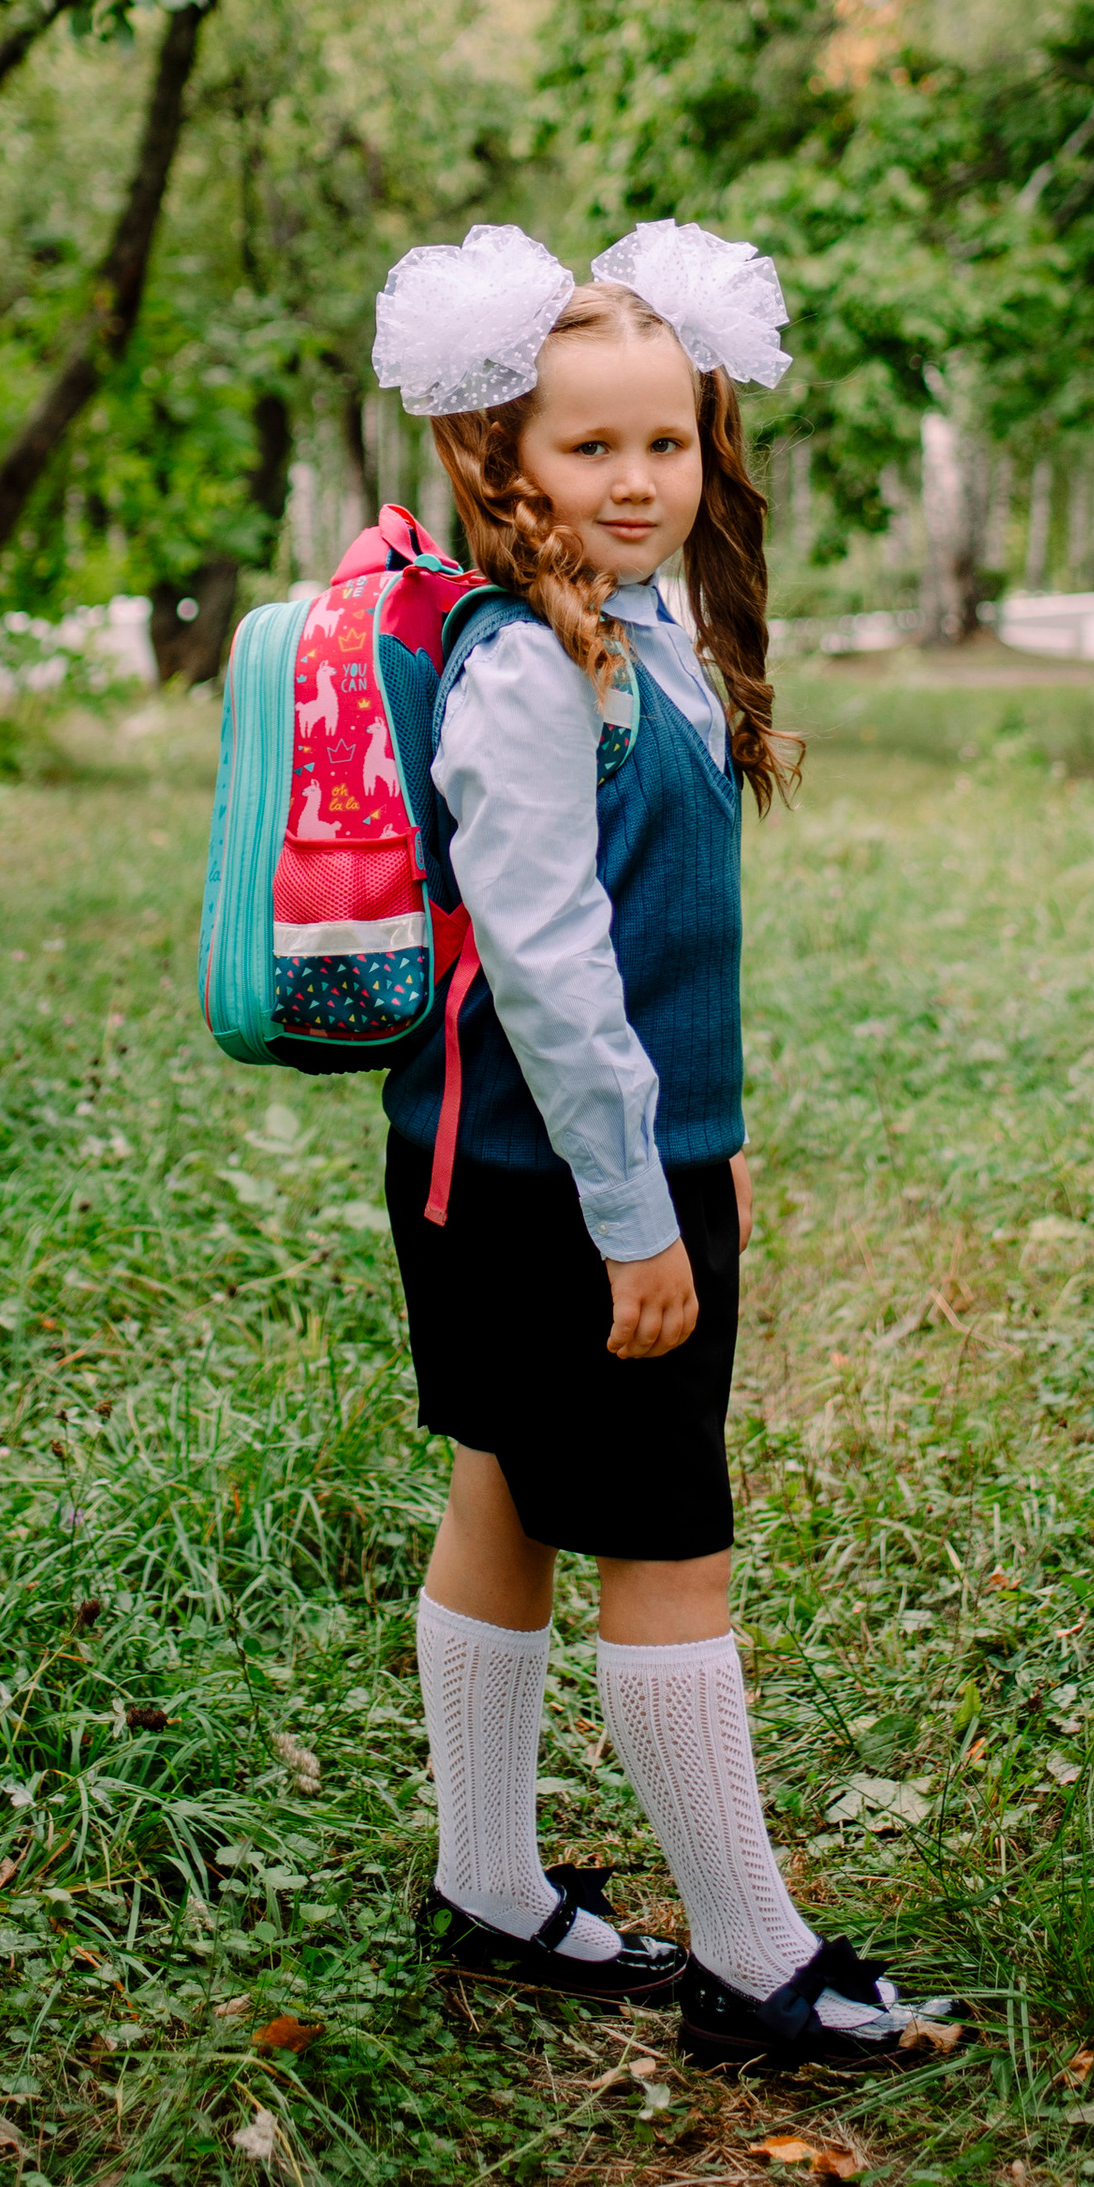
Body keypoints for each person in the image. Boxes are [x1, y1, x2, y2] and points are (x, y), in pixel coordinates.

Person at [368, 216, 956, 2068]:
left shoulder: (642, 637)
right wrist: (645, 1214)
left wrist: (710, 1145)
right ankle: (750, 1959)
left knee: (509, 1497)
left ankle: (485, 1884)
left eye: (668, 442)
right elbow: (547, 974)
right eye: (590, 447)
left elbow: (651, 946)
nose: (639, 481)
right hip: (560, 1188)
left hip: (536, 1170)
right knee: (667, 1550)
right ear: (499, 460)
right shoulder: (536, 672)